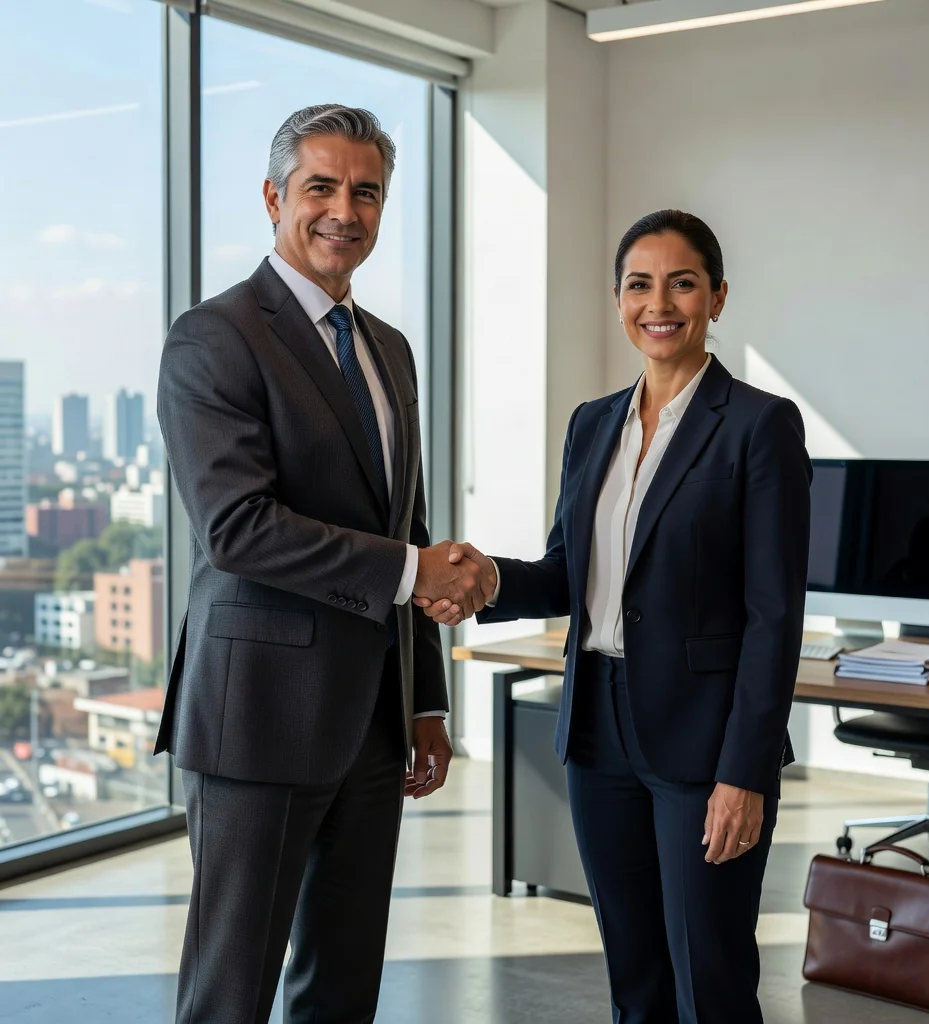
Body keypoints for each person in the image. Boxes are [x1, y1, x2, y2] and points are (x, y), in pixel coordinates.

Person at [418, 210, 812, 1023]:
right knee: (635, 978)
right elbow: (570, 572)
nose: (658, 304)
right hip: (598, 731)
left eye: (682, 283)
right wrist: (487, 581)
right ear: (618, 299)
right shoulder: (592, 423)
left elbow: (774, 618)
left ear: (717, 297)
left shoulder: (758, 425)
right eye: (639, 285)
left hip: (704, 740)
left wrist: (746, 773)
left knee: (711, 980)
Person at [156, 104, 493, 1024]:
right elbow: (237, 528)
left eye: (366, 192)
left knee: (343, 985)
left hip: (375, 723)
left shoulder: (389, 349)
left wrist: (424, 700)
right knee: (231, 991)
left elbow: (405, 523)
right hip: (258, 717)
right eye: (321, 187)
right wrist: (415, 571)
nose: (345, 210)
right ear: (275, 199)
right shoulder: (215, 336)